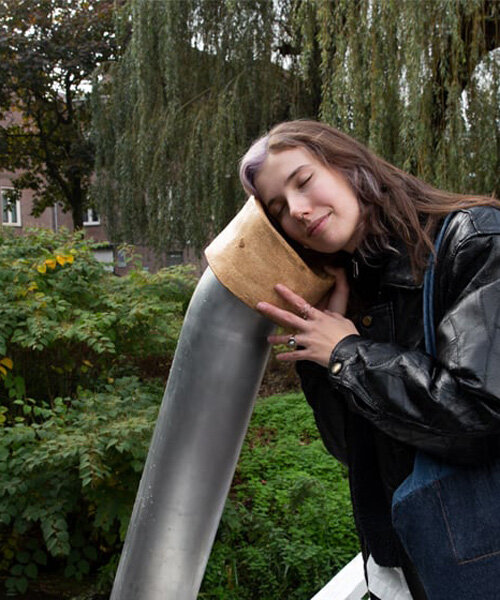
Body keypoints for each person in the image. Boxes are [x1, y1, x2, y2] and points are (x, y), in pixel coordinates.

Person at [238, 120, 500, 600]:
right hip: (406, 566)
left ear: (350, 166)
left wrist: (347, 354)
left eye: (303, 181)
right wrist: (322, 359)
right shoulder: (357, 289)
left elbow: (480, 415)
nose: (297, 210)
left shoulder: (475, 239)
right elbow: (354, 450)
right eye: (278, 210)